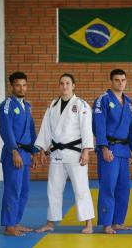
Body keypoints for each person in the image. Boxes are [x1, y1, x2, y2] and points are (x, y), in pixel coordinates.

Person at [35, 73, 95, 234]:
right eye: (62, 83)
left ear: (73, 85)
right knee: (53, 189)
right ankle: (50, 222)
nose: (65, 86)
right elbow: (46, 129)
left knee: (81, 188)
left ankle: (88, 223)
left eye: (68, 83)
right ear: (59, 85)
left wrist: (86, 151)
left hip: (75, 154)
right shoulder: (53, 105)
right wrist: (43, 149)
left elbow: (86, 130)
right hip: (56, 153)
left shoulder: (81, 105)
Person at [92, 69, 132, 234]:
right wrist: (103, 147)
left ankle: (118, 221)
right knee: (108, 187)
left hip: (124, 150)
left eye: (123, 80)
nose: (120, 83)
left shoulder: (129, 102)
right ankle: (106, 223)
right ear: (111, 81)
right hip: (109, 149)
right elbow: (99, 125)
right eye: (117, 80)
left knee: (123, 188)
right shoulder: (102, 100)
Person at [0, 72, 39, 236]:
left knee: (24, 191)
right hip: (13, 154)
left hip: (26, 154)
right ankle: (9, 226)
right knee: (13, 189)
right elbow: (5, 130)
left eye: (24, 85)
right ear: (12, 86)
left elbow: (31, 130)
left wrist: (34, 152)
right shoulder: (6, 105)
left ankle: (15, 221)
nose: (22, 88)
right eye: (18, 85)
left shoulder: (26, 106)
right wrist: (14, 151)